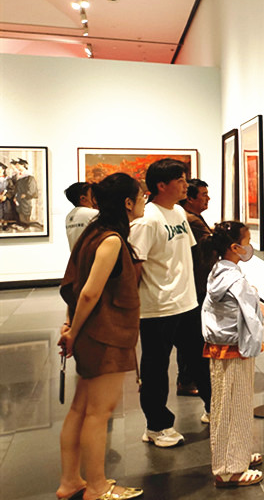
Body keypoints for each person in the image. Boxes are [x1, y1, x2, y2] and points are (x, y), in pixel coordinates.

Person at [56, 173, 145, 500]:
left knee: (81, 409)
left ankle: (70, 482)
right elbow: (89, 292)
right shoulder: (111, 240)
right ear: (127, 203)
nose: (144, 201)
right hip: (105, 336)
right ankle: (97, 486)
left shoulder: (92, 234)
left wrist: (70, 327)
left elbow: (75, 286)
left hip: (93, 334)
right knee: (97, 413)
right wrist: (73, 332)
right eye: (141, 196)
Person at [129, 158, 207, 447]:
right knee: (155, 370)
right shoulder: (147, 220)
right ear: (161, 185)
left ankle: (214, 408)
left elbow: (187, 255)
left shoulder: (179, 212)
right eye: (181, 180)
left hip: (187, 303)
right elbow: (135, 266)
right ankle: (157, 426)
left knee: (201, 362)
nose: (186, 185)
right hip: (158, 307)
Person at [201, 221, 264, 488]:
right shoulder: (236, 280)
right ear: (234, 247)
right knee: (234, 406)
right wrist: (254, 342)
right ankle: (229, 469)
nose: (249, 246)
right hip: (235, 349)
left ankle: (236, 454)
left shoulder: (218, 272)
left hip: (221, 347)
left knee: (224, 404)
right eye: (247, 241)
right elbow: (251, 318)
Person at [174, 179, 216, 403]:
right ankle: (188, 379)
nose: (207, 198)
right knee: (191, 337)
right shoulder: (191, 220)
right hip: (196, 285)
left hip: (197, 283)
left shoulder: (191, 218)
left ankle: (189, 378)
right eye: (203, 194)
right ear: (189, 198)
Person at [64, 182, 99, 250]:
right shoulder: (93, 213)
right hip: (92, 255)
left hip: (75, 255)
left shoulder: (69, 216)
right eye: (92, 194)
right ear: (83, 198)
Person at [12, 158, 39, 227]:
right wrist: (15, 196)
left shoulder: (29, 177)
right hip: (18, 199)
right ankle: (21, 225)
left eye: (18, 165)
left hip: (26, 200)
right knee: (19, 212)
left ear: (23, 165)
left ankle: (25, 226)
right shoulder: (18, 176)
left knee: (25, 213)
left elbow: (32, 190)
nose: (16, 166)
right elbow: (16, 189)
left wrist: (25, 195)